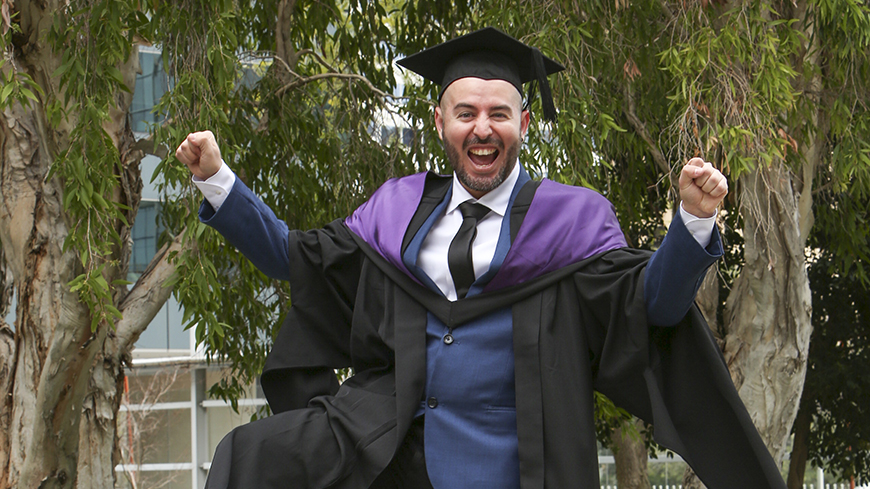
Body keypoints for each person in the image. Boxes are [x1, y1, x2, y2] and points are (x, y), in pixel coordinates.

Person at [176, 27, 786, 489]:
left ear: (523, 121)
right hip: (391, 447)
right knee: (248, 457)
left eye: (498, 113)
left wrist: (692, 223)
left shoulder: (572, 221)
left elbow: (651, 304)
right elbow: (295, 259)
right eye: (466, 113)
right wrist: (218, 181)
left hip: (520, 462)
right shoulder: (397, 209)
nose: (482, 128)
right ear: (441, 122)